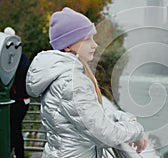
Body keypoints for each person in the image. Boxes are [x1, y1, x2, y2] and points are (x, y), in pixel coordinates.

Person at [25, 7, 147, 157]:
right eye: (87, 39)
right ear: (68, 45)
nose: (94, 45)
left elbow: (91, 113)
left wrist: (122, 117)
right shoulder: (72, 82)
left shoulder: (61, 74)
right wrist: (137, 131)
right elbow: (104, 133)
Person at [4, 27, 30, 158]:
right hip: (19, 100)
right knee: (13, 129)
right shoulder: (21, 57)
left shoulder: (19, 59)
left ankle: (15, 153)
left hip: (18, 101)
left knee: (13, 129)